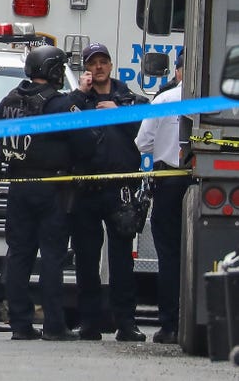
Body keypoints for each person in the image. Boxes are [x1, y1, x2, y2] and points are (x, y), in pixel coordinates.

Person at [0, 45, 95, 341]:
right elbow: (87, 142)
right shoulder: (59, 104)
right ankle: (54, 326)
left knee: (19, 255)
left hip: (18, 187)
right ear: (55, 71)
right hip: (50, 189)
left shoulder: (13, 98)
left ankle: (19, 324)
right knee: (52, 258)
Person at [68, 42, 148, 342]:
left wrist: (119, 111)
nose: (98, 67)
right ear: (86, 68)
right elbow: (62, 119)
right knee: (87, 260)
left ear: (111, 65)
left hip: (120, 191)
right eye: (93, 63)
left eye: (103, 62)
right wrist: (80, 94)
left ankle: (126, 323)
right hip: (86, 190)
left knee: (122, 262)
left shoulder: (128, 99)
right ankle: (89, 322)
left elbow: (146, 118)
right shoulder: (79, 101)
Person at [135, 49, 192, 344]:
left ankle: (170, 325)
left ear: (179, 71)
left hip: (169, 182)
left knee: (169, 256)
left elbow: (143, 142)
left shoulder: (164, 100)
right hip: (202, 181)